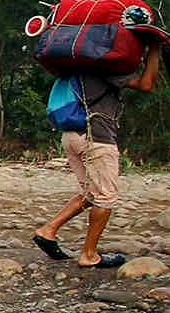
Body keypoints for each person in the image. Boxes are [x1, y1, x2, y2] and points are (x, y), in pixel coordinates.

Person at [32, 44, 162, 269]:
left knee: (90, 194)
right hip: (96, 138)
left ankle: (48, 230)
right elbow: (147, 84)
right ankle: (89, 254)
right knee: (105, 197)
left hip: (71, 137)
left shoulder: (73, 69)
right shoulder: (106, 70)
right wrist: (155, 49)